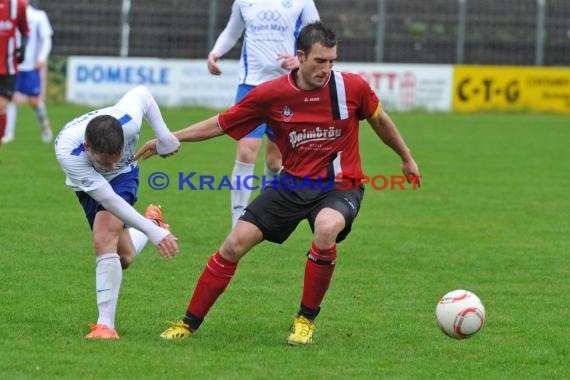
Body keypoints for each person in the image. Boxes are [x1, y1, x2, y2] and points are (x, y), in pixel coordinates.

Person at [136, 22, 421, 345]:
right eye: (319, 61)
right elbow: (221, 123)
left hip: (341, 184)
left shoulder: (351, 88)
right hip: (291, 186)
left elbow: (379, 121)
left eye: (332, 61)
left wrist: (406, 157)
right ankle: (188, 324)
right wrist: (170, 139)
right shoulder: (272, 95)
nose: (326, 69)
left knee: (326, 229)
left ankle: (305, 320)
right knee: (234, 244)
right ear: (300, 57)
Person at [55, 85, 181, 340]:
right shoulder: (69, 153)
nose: (111, 165)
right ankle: (152, 221)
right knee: (124, 258)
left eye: (116, 156)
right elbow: (109, 200)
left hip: (125, 177)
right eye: (104, 162)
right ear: (87, 147)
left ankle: (105, 326)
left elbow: (143, 93)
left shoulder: (128, 121)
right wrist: (152, 230)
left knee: (104, 237)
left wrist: (165, 138)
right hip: (91, 186)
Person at [207, 0, 320, 227]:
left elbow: (317, 37)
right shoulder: (243, 2)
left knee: (275, 160)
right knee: (246, 152)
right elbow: (232, 31)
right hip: (251, 86)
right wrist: (215, 52)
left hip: (286, 86)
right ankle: (238, 222)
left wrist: (300, 59)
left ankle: (266, 212)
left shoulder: (302, 2)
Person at [2, 0, 53, 144]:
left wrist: (42, 58)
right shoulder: (8, 13)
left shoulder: (38, 16)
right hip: (12, 64)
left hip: (30, 66)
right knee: (8, 99)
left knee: (34, 101)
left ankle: (45, 126)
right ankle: (8, 133)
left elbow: (46, 38)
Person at [0, 0, 28, 147]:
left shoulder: (18, 5)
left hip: (8, 66)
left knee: (1, 106)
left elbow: (25, 31)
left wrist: (23, 48)